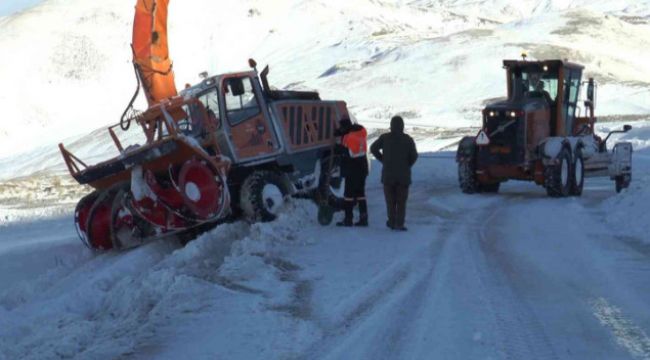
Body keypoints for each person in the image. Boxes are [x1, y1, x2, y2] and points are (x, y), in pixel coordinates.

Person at [370, 116, 418, 231]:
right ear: (402, 126)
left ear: (391, 125)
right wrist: (407, 165)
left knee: (390, 201)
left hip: (388, 176)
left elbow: (373, 148)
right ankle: (400, 223)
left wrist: (382, 159)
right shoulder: (408, 139)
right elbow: (414, 156)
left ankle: (391, 222)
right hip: (403, 177)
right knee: (401, 202)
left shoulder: (385, 138)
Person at [335, 117, 369, 227]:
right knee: (360, 194)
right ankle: (364, 219)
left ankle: (348, 219)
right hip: (362, 169)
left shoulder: (348, 137)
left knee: (348, 195)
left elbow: (348, 153)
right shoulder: (360, 133)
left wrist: (339, 148)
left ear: (345, 127)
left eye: (341, 127)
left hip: (352, 170)